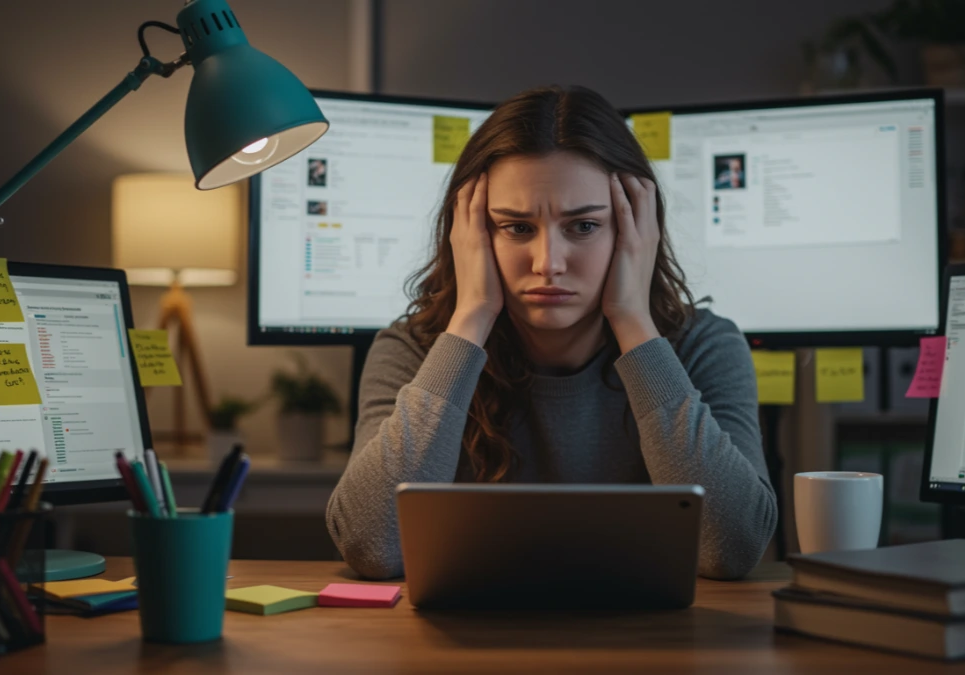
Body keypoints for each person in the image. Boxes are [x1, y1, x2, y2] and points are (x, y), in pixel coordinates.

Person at [326, 85, 776, 581]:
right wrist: (473, 314)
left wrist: (631, 317)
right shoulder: (413, 349)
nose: (548, 264)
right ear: (470, 233)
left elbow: (732, 547)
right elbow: (372, 544)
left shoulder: (703, 346)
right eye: (516, 228)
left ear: (634, 233)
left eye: (583, 226)